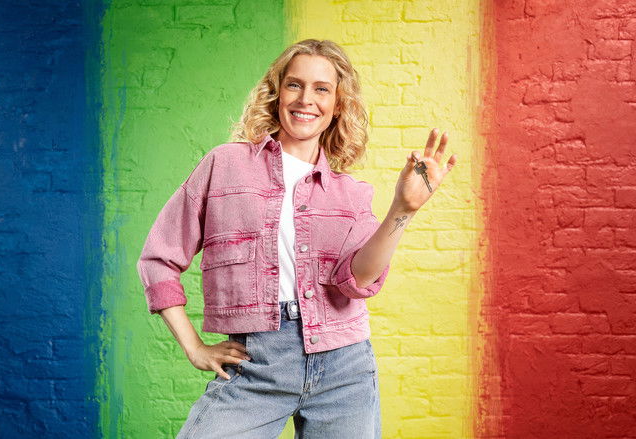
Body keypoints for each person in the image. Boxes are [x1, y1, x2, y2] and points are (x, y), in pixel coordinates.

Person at [136, 39, 457, 438]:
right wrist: (194, 346)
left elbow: (356, 281)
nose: (306, 99)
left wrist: (403, 209)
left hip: (345, 369)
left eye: (322, 89)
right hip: (256, 361)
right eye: (295, 85)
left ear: (337, 104)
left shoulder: (351, 194)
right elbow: (158, 259)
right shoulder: (225, 164)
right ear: (277, 93)